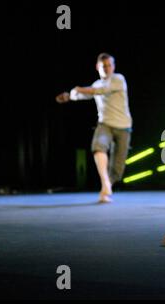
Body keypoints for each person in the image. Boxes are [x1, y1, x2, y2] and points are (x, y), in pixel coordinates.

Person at [55, 53, 132, 203]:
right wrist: (69, 96)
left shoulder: (118, 79)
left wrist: (79, 88)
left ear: (114, 66)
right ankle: (105, 184)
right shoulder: (96, 84)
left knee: (117, 169)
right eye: (104, 66)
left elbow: (101, 90)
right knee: (98, 146)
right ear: (98, 67)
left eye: (110, 66)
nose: (107, 69)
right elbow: (83, 94)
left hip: (124, 126)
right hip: (105, 124)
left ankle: (106, 187)